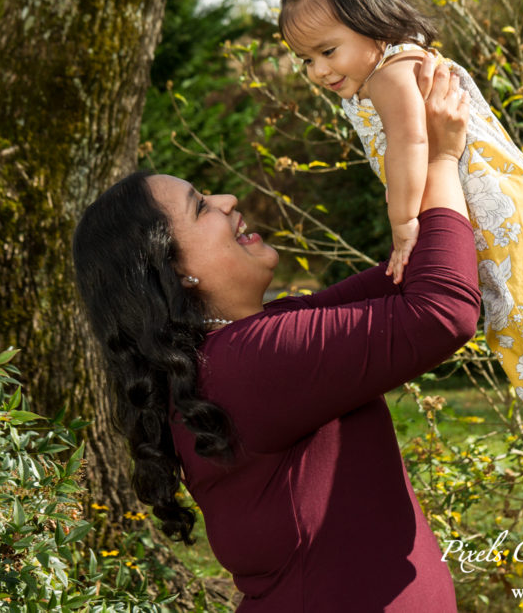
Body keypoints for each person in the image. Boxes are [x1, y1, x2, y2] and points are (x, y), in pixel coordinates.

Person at [73, 58, 476, 611]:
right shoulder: (244, 364)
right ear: (175, 272)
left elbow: (413, 274)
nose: (228, 201)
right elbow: (442, 311)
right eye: (201, 207)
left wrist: (414, 137)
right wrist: (445, 157)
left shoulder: (239, 349)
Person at [274, 0, 523, 464]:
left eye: (327, 51)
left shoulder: (389, 74)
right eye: (306, 60)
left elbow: (412, 143)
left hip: (489, 202)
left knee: (518, 303)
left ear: (370, 22)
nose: (318, 71)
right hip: (497, 193)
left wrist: (404, 221)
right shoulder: (392, 63)